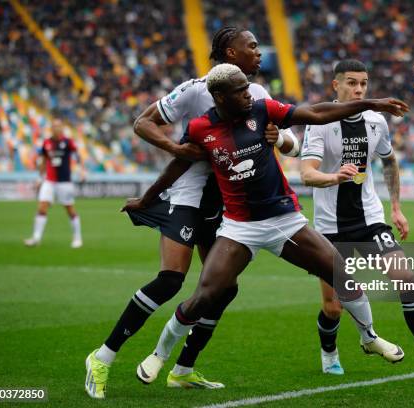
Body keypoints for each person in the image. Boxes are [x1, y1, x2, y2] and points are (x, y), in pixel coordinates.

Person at [142, 63, 411, 385]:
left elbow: (316, 114)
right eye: (240, 89)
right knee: (205, 295)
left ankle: (369, 338)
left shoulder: (263, 109)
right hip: (240, 227)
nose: (248, 92)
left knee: (340, 274)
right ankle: (159, 356)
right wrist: (147, 199)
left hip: (285, 220)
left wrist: (372, 103)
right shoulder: (201, 128)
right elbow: (177, 166)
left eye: (247, 87)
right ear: (220, 97)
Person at [84, 27, 300, 399]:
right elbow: (143, 122)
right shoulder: (196, 89)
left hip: (228, 204)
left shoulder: (259, 95)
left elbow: (292, 144)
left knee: (223, 289)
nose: (259, 52)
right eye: (252, 46)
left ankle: (183, 369)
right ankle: (102, 357)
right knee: (171, 280)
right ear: (231, 54)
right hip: (187, 196)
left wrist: (281, 139)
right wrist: (176, 148)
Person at [300, 59, 414, 382]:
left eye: (363, 83)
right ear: (336, 85)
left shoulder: (377, 122)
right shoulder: (318, 122)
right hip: (330, 228)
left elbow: (388, 162)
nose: (358, 89)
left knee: (406, 278)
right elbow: (307, 173)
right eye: (351, 83)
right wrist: (334, 177)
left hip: (370, 220)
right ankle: (329, 353)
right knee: (333, 307)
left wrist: (396, 207)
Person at [24, 119, 84, 248]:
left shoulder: (68, 142)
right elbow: (44, 160)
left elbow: (77, 156)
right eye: (54, 126)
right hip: (49, 181)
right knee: (42, 207)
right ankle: (36, 238)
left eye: (59, 126)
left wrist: (81, 171)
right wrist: (40, 178)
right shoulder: (46, 142)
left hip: (64, 182)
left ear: (62, 128)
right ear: (51, 128)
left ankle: (78, 238)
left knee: (70, 209)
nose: (56, 128)